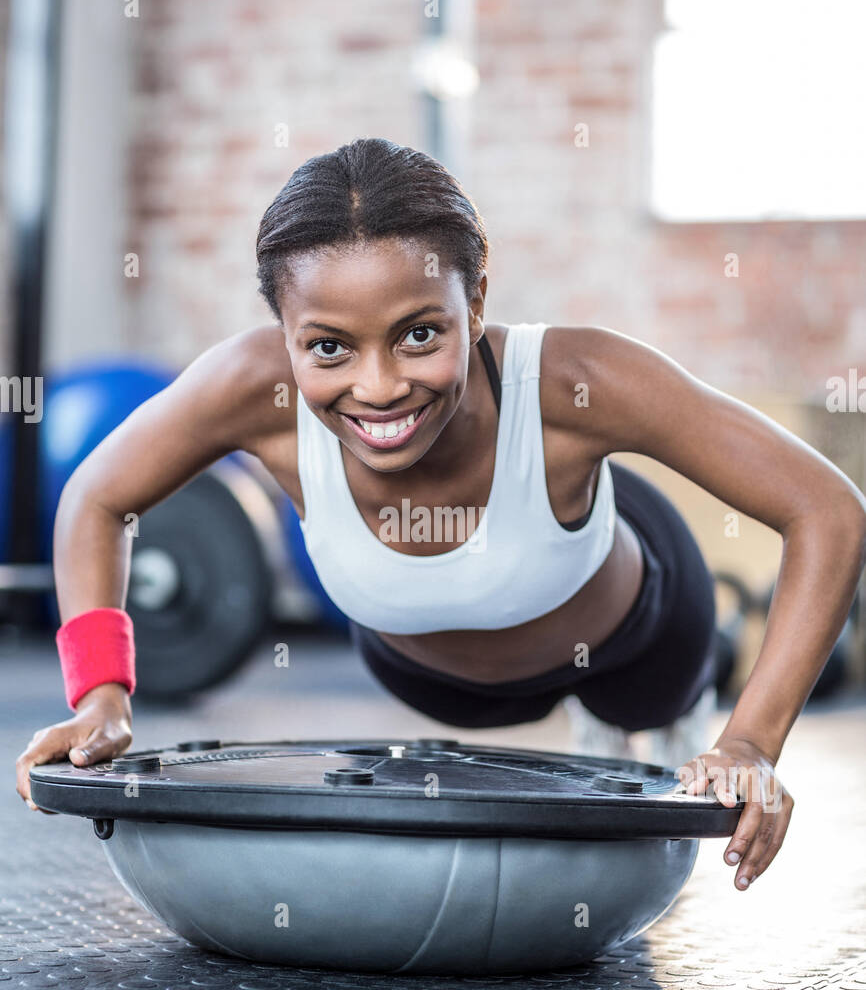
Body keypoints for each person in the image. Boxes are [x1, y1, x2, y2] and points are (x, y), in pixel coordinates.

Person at [15, 138, 866, 892]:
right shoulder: (248, 388)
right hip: (423, 677)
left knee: (645, 708)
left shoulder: (579, 379)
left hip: (635, 644)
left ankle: (652, 706)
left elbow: (827, 507)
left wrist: (750, 742)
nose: (380, 387)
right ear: (285, 333)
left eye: (421, 335)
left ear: (478, 299)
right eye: (329, 348)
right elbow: (98, 495)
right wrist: (102, 697)